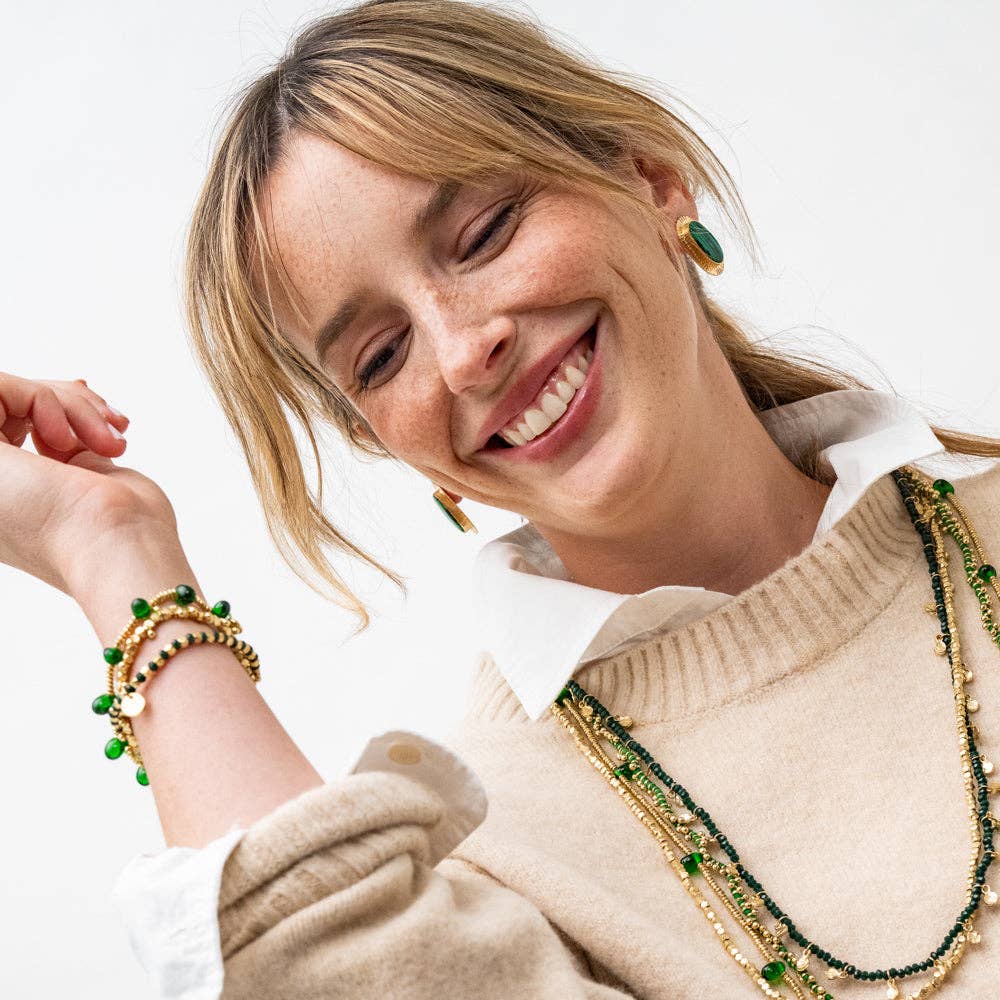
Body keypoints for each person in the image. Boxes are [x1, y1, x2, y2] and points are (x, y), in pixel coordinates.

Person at [3, 0, 1000, 997]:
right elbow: (312, 958)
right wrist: (109, 545)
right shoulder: (492, 841)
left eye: (482, 234)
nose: (461, 352)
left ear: (651, 179)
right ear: (386, 440)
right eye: (382, 355)